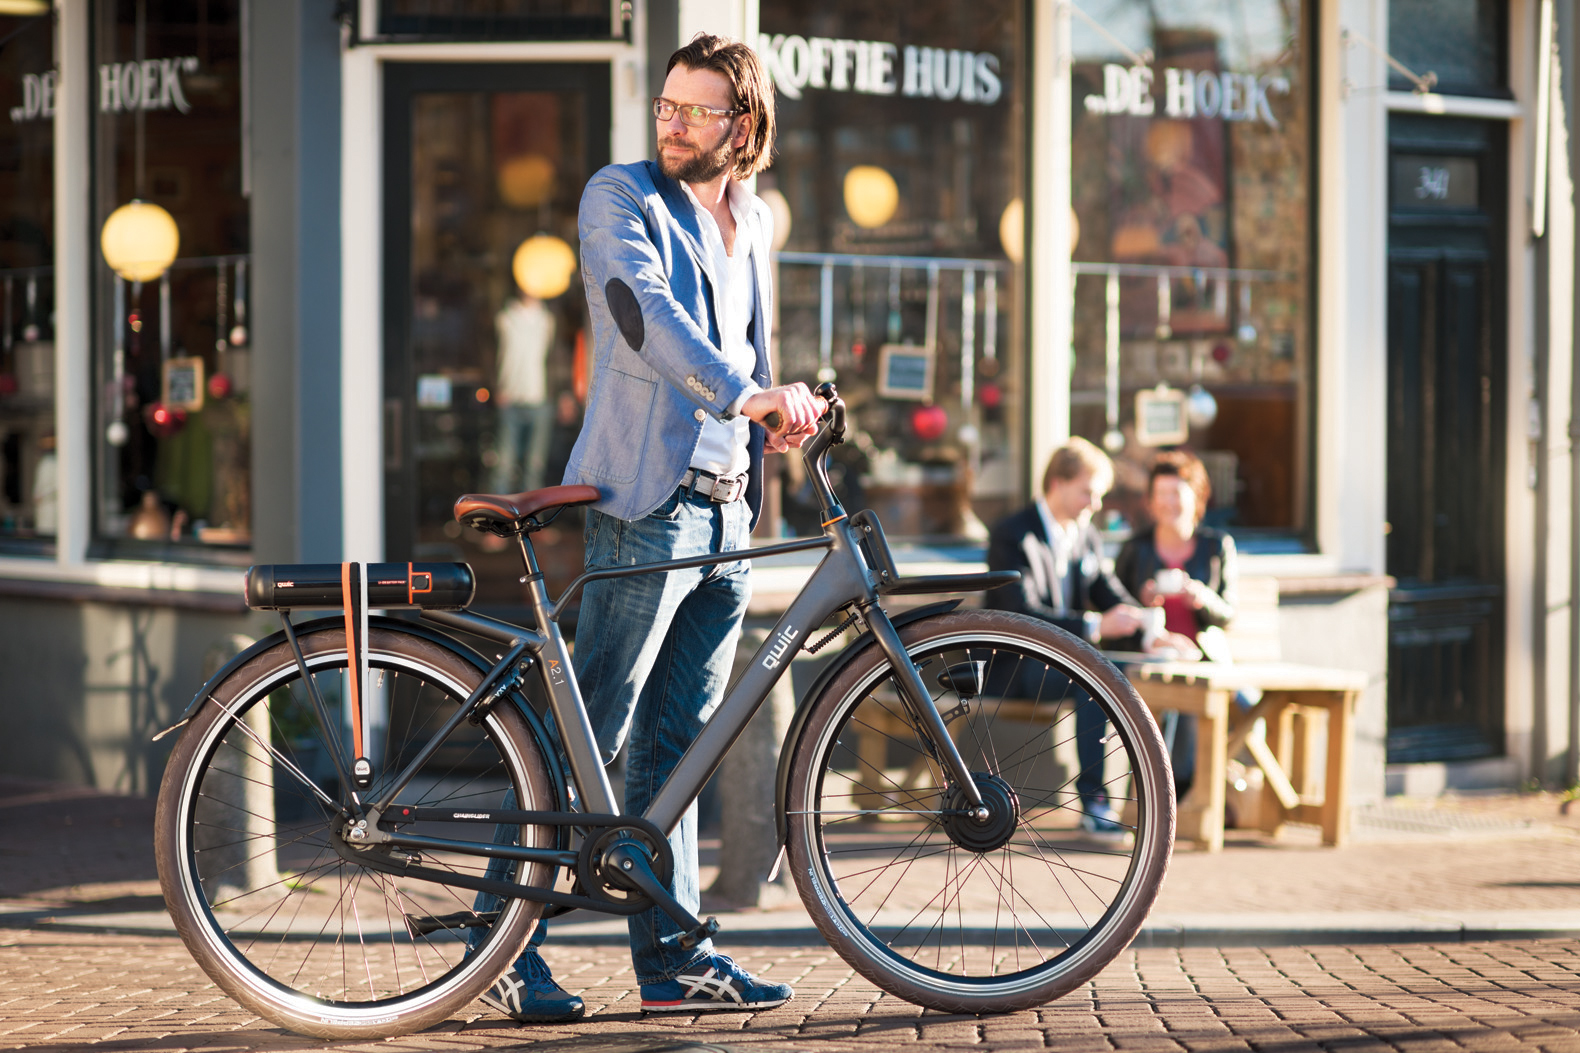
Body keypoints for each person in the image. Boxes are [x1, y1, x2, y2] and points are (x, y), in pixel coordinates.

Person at [476, 33, 824, 1024]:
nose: (671, 124)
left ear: (741, 126)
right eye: (666, 106)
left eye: (694, 111)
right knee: (586, 727)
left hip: (724, 506)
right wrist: (745, 393)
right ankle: (496, 944)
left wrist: (780, 418)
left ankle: (672, 958)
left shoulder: (751, 216)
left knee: (676, 749)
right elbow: (645, 315)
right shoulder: (617, 196)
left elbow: (752, 340)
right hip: (644, 501)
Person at [985, 437, 1191, 837]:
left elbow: (1111, 595)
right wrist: (1096, 627)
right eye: (1088, 492)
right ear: (1057, 484)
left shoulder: (1085, 535)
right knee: (1096, 680)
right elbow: (1018, 615)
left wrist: (1154, 634)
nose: (1096, 505)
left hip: (1068, 664)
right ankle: (1095, 803)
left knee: (1158, 676)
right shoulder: (1012, 535)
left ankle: (1156, 800)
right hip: (1018, 665)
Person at [1114, 450, 1237, 800]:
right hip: (1148, 662)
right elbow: (1113, 606)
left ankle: (1177, 795)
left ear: (1196, 497)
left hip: (1206, 659)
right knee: (1176, 695)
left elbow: (1229, 614)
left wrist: (1201, 598)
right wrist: (1142, 603)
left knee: (1250, 703)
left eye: (1177, 493)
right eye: (1161, 494)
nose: (1169, 503)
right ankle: (1174, 794)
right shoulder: (1134, 549)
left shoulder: (1216, 546)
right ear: (1150, 502)